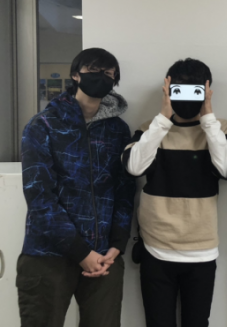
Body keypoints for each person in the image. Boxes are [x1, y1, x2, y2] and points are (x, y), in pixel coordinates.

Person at [17, 48, 135, 327]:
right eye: (93, 71)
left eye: (108, 73)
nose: (101, 77)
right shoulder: (43, 125)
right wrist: (81, 252)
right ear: (75, 75)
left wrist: (117, 244)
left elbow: (125, 190)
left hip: (104, 256)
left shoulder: (118, 130)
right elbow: (39, 197)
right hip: (47, 255)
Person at [122, 58, 227, 327]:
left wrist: (207, 118)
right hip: (156, 248)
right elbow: (133, 167)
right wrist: (163, 119)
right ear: (168, 90)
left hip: (202, 250)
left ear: (207, 91)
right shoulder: (149, 129)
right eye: (178, 89)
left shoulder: (220, 129)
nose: (186, 97)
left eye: (195, 90)